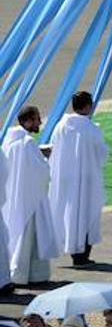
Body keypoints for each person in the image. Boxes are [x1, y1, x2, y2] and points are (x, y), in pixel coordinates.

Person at [47, 90, 108, 266]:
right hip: (87, 178)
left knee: (70, 212)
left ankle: (73, 250)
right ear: (88, 106)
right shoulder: (92, 129)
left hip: (66, 177)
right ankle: (83, 254)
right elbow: (101, 154)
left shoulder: (61, 125)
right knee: (86, 213)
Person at [3, 105, 56, 285]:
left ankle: (18, 274)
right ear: (28, 120)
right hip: (30, 200)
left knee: (19, 238)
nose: (39, 122)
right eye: (36, 119)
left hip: (14, 199)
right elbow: (40, 172)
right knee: (29, 241)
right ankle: (28, 275)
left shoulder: (9, 142)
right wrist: (47, 159)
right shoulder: (27, 143)